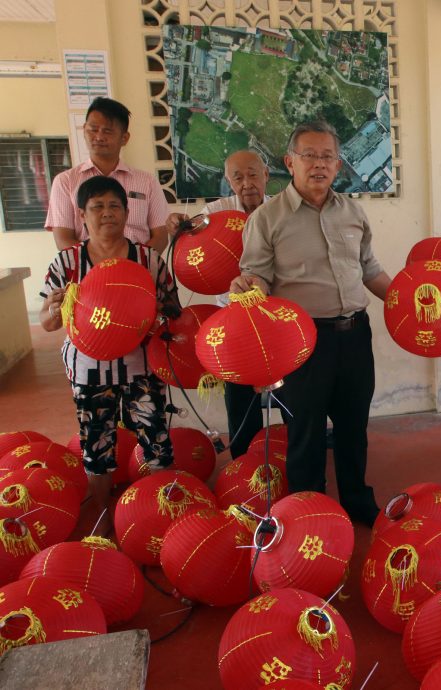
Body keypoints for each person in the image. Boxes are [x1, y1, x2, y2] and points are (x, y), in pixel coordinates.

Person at [230, 121, 392, 526]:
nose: (319, 164)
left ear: (337, 165)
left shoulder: (353, 212)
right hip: (301, 343)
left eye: (327, 157)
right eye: (309, 156)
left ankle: (357, 500)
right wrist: (249, 285)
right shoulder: (267, 219)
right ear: (290, 162)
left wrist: (406, 303)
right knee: (305, 430)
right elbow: (258, 278)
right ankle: (309, 509)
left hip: (355, 335)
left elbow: (370, 269)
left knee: (354, 425)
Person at [38, 176, 178, 534]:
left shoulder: (148, 259)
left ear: (127, 212)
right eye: (97, 206)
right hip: (89, 371)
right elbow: (47, 322)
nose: (106, 213)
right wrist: (56, 310)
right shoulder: (67, 263)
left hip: (141, 366)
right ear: (82, 215)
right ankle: (102, 518)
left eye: (114, 205)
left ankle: (161, 515)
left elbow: (172, 309)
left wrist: (152, 311)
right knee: (96, 444)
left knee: (156, 439)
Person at [166, 150, 272, 459]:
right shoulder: (217, 212)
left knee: (292, 391)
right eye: (238, 177)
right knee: (239, 395)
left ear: (266, 175)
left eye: (253, 174)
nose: (247, 183)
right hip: (233, 319)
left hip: (275, 315)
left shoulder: (281, 210)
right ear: (228, 181)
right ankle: (244, 460)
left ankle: (289, 453)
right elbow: (189, 235)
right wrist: (177, 227)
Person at [45, 97, 169, 253]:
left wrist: (133, 264)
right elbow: (63, 239)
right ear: (84, 130)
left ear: (124, 138)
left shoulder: (147, 182)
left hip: (138, 271)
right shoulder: (65, 181)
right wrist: (99, 268)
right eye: (93, 129)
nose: (99, 137)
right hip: (88, 273)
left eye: (108, 131)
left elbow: (161, 236)